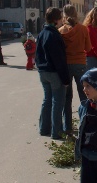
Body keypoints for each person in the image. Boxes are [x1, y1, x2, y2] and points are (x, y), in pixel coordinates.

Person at [36, 7, 70, 140]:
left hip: (43, 71)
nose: (62, 21)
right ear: (56, 20)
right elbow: (59, 60)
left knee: (47, 100)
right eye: (61, 18)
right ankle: (57, 132)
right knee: (58, 102)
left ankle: (44, 128)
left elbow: (37, 55)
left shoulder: (42, 33)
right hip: (54, 72)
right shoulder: (54, 35)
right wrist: (66, 79)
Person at [59, 4, 91, 134]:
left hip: (66, 64)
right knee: (84, 94)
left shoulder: (61, 31)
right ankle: (85, 123)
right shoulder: (83, 29)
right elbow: (88, 48)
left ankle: (67, 127)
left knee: (67, 96)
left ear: (64, 14)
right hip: (80, 64)